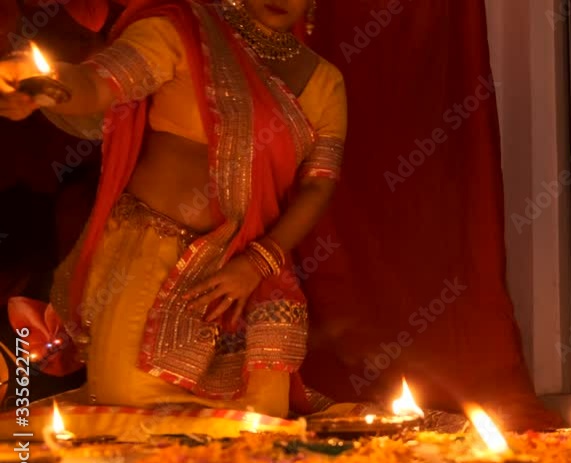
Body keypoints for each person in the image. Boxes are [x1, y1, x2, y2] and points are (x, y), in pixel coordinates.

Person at [0, 0, 347, 418]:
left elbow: (317, 185)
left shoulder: (324, 82)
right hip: (148, 268)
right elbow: (99, 82)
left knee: (255, 431)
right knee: (131, 419)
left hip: (250, 282)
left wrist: (257, 264)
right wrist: (46, 86)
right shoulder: (184, 31)